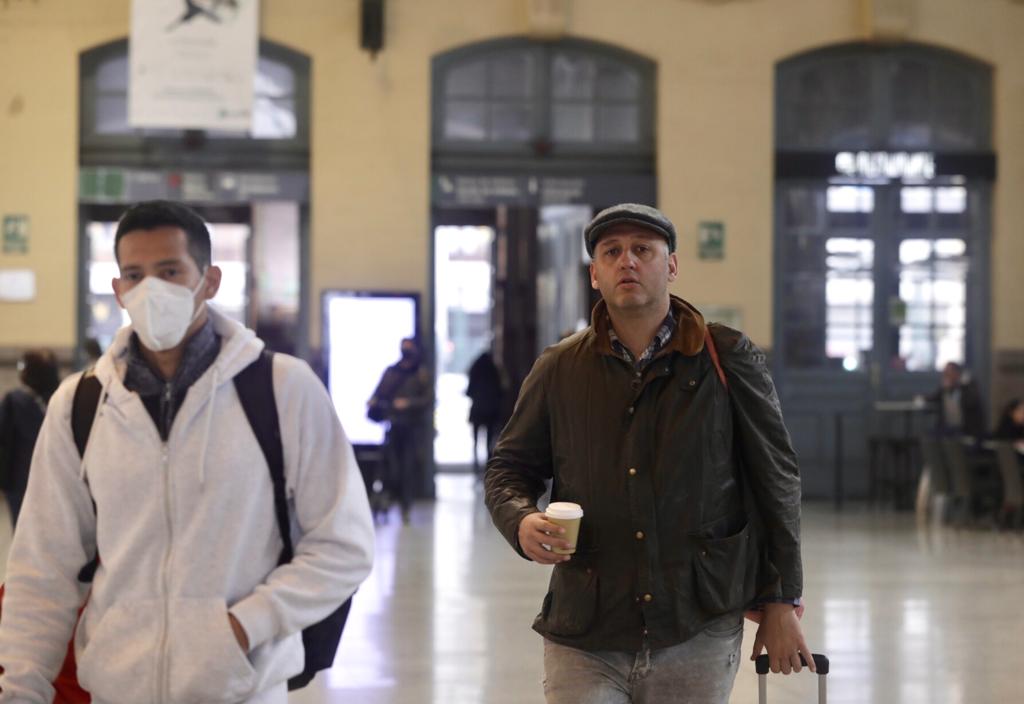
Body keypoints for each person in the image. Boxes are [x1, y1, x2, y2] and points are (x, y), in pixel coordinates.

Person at [0, 200, 374, 703]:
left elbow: (343, 546)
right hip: (116, 689)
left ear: (210, 280)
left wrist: (242, 627)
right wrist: (20, 690)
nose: (151, 288)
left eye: (170, 271)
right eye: (134, 274)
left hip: (241, 690)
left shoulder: (283, 390)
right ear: (118, 289)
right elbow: (42, 569)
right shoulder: (81, 404)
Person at [485, 203, 812, 703]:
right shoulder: (559, 368)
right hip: (587, 623)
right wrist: (521, 519)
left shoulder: (726, 357)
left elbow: (777, 478)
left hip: (696, 618)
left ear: (672, 266)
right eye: (612, 252)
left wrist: (781, 600)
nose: (627, 262)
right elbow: (509, 468)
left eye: (643, 250)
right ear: (595, 274)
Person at [368, 337, 430, 523]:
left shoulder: (421, 374)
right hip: (393, 425)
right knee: (390, 466)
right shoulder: (392, 372)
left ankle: (405, 504)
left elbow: (427, 400)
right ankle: (388, 499)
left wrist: (408, 404)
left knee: (408, 467)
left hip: (412, 428)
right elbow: (379, 393)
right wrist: (377, 403)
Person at [0, 349, 61, 527]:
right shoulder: (63, 399)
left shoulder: (14, 401)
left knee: (22, 532)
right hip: (55, 479)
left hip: (19, 480)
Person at [466, 350, 505, 478]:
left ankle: (476, 464)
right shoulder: (493, 372)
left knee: (476, 439)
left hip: (478, 409)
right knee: (489, 438)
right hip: (490, 410)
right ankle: (488, 462)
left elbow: (469, 391)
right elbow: (501, 391)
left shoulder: (476, 371)